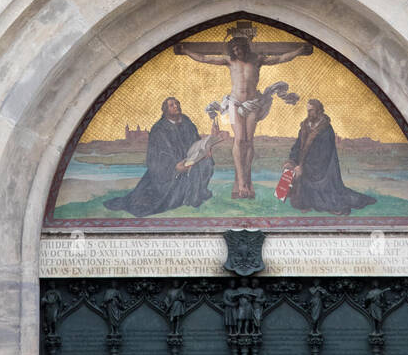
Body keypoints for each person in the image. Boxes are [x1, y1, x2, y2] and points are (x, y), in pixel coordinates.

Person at [174, 31, 310, 199]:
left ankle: (246, 177)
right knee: (239, 140)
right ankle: (242, 182)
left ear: (245, 48)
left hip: (252, 103)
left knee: (248, 141)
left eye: (240, 49)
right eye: (235, 49)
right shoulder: (230, 61)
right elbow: (204, 58)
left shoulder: (257, 59)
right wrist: (186, 50)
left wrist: (299, 50)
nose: (237, 52)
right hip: (234, 103)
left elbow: (281, 58)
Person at [103, 97, 214, 217]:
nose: (176, 106)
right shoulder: (158, 129)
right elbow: (155, 157)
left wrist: (205, 150)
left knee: (207, 162)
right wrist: (174, 168)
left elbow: (196, 141)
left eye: (177, 103)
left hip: (190, 161)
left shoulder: (187, 122)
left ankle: (195, 195)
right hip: (168, 172)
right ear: (165, 110)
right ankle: (185, 196)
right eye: (172, 105)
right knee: (148, 201)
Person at [283, 99, 376, 215]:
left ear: (319, 111)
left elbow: (324, 156)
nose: (309, 113)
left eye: (311, 110)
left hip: (323, 171)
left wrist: (303, 167)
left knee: (328, 202)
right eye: (308, 110)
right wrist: (292, 161)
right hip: (304, 165)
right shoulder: (305, 126)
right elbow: (297, 146)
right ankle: (304, 202)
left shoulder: (326, 129)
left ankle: (337, 207)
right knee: (292, 178)